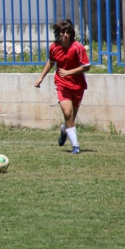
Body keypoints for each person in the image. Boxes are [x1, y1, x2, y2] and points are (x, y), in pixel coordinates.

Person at [34, 19, 90, 154]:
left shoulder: (77, 47)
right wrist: (41, 77)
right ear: (58, 34)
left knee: (71, 117)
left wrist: (69, 72)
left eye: (68, 32)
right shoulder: (54, 48)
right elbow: (51, 62)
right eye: (62, 32)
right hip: (61, 84)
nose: (65, 35)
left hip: (77, 85)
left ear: (71, 34)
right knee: (67, 113)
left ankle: (64, 130)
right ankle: (75, 146)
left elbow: (86, 66)